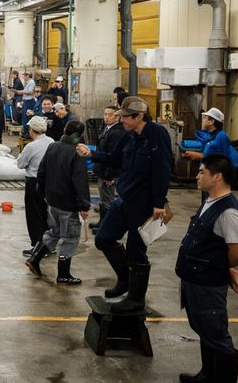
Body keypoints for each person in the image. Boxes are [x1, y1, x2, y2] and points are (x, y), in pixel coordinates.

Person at [76, 96, 172, 313]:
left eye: (126, 117)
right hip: (125, 198)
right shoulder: (128, 136)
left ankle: (136, 299)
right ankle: (125, 279)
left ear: (139, 116)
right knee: (104, 238)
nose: (122, 121)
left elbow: (163, 168)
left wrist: (159, 201)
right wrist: (92, 153)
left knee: (136, 251)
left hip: (145, 203)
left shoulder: (157, 135)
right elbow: (114, 158)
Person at [176, 154, 238, 383]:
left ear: (218, 176)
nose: (197, 176)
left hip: (209, 284)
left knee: (216, 333)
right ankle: (207, 375)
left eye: (201, 172)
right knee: (204, 329)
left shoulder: (229, 211)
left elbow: (236, 251)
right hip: (196, 279)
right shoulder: (210, 201)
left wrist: (226, 268)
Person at [26, 121, 90, 284]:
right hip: (68, 204)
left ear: (64, 130)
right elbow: (80, 181)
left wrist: (44, 194)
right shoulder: (77, 152)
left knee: (53, 232)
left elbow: (41, 172)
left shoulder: (53, 146)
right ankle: (63, 274)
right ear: (80, 135)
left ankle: (35, 258)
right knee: (70, 238)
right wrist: (84, 205)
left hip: (52, 201)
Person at [16, 116, 55, 256]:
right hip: (49, 183)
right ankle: (49, 245)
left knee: (34, 215)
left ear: (32, 130)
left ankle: (38, 247)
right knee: (46, 214)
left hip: (34, 182)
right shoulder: (51, 142)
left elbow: (20, 164)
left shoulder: (31, 146)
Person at [90, 106, 125, 232]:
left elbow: (113, 156)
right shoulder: (107, 128)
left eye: (109, 114)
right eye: (105, 114)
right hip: (102, 170)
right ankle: (102, 222)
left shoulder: (117, 132)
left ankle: (108, 227)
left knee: (108, 200)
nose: (106, 117)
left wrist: (109, 176)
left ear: (117, 117)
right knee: (103, 198)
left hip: (108, 173)